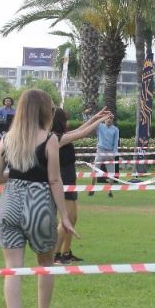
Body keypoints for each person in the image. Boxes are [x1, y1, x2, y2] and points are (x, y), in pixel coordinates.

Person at [0, 88, 77, 308]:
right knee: (46, 264)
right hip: (39, 204)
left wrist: (18, 174)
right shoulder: (49, 139)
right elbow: (54, 179)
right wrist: (65, 216)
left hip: (9, 203)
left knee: (12, 268)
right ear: (44, 111)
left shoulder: (7, 139)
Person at [51, 107, 112, 265]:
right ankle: (55, 255)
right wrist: (100, 121)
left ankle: (66, 252)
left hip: (69, 179)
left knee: (73, 218)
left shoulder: (61, 135)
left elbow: (79, 130)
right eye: (65, 119)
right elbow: (82, 133)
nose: (67, 121)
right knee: (66, 219)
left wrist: (95, 117)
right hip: (63, 180)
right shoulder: (55, 138)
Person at [89, 113, 119, 198]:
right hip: (100, 151)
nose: (109, 120)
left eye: (111, 118)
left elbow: (116, 142)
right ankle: (92, 189)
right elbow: (91, 124)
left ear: (113, 120)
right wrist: (88, 114)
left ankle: (109, 191)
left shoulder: (116, 129)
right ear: (104, 119)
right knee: (94, 171)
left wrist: (114, 154)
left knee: (112, 174)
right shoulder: (100, 126)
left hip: (110, 152)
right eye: (108, 118)